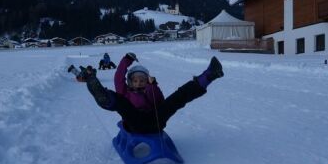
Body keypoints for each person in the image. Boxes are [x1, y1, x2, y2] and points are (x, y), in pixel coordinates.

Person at [81, 52, 223, 133]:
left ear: (147, 80)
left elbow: (159, 102)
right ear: (130, 82)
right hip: (133, 123)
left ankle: (209, 75)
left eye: (142, 80)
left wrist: (152, 86)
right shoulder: (125, 91)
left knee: (176, 100)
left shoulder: (150, 88)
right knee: (122, 103)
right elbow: (119, 77)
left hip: (155, 122)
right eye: (135, 81)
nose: (138, 83)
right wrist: (126, 60)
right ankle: (105, 98)